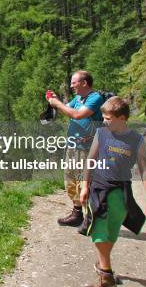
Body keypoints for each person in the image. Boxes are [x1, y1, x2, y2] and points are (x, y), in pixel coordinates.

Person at [79, 97, 146, 287]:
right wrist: (85, 185)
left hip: (121, 192)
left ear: (122, 118)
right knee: (98, 228)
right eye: (103, 117)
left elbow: (145, 169)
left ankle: (102, 265)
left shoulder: (136, 140)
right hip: (98, 188)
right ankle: (106, 274)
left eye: (108, 118)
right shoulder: (101, 133)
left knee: (112, 232)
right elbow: (91, 159)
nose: (104, 121)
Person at [48, 70, 104, 227]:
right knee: (71, 180)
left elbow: (78, 115)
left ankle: (91, 219)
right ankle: (77, 213)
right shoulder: (79, 98)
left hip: (87, 148)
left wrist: (57, 104)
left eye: (74, 82)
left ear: (84, 83)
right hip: (73, 146)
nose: (71, 86)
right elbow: (67, 109)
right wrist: (54, 100)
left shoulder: (95, 98)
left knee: (85, 182)